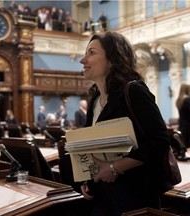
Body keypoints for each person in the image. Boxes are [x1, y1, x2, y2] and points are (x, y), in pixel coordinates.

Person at [79, 32, 172, 215]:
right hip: (103, 195)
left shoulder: (134, 91)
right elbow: (92, 146)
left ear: (113, 59)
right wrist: (86, 179)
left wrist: (114, 168)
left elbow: (160, 141)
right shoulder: (95, 100)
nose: (83, 60)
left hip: (135, 196)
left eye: (91, 53)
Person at [176, 82, 190, 148]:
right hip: (188, 127)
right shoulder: (187, 100)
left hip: (182, 126)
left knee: (185, 146)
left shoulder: (178, 100)